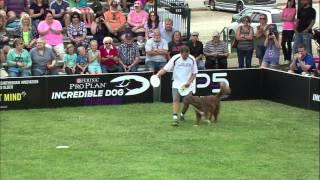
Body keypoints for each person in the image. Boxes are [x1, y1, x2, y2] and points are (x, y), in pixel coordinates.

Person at [155, 45, 198, 126]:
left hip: (188, 84)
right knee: (175, 99)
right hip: (176, 83)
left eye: (187, 55)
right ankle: (175, 118)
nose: (185, 57)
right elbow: (165, 69)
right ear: (181, 53)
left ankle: (182, 114)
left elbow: (194, 73)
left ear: (189, 53)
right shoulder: (175, 58)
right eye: (184, 55)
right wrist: (157, 75)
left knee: (187, 102)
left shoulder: (192, 59)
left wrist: (189, 82)